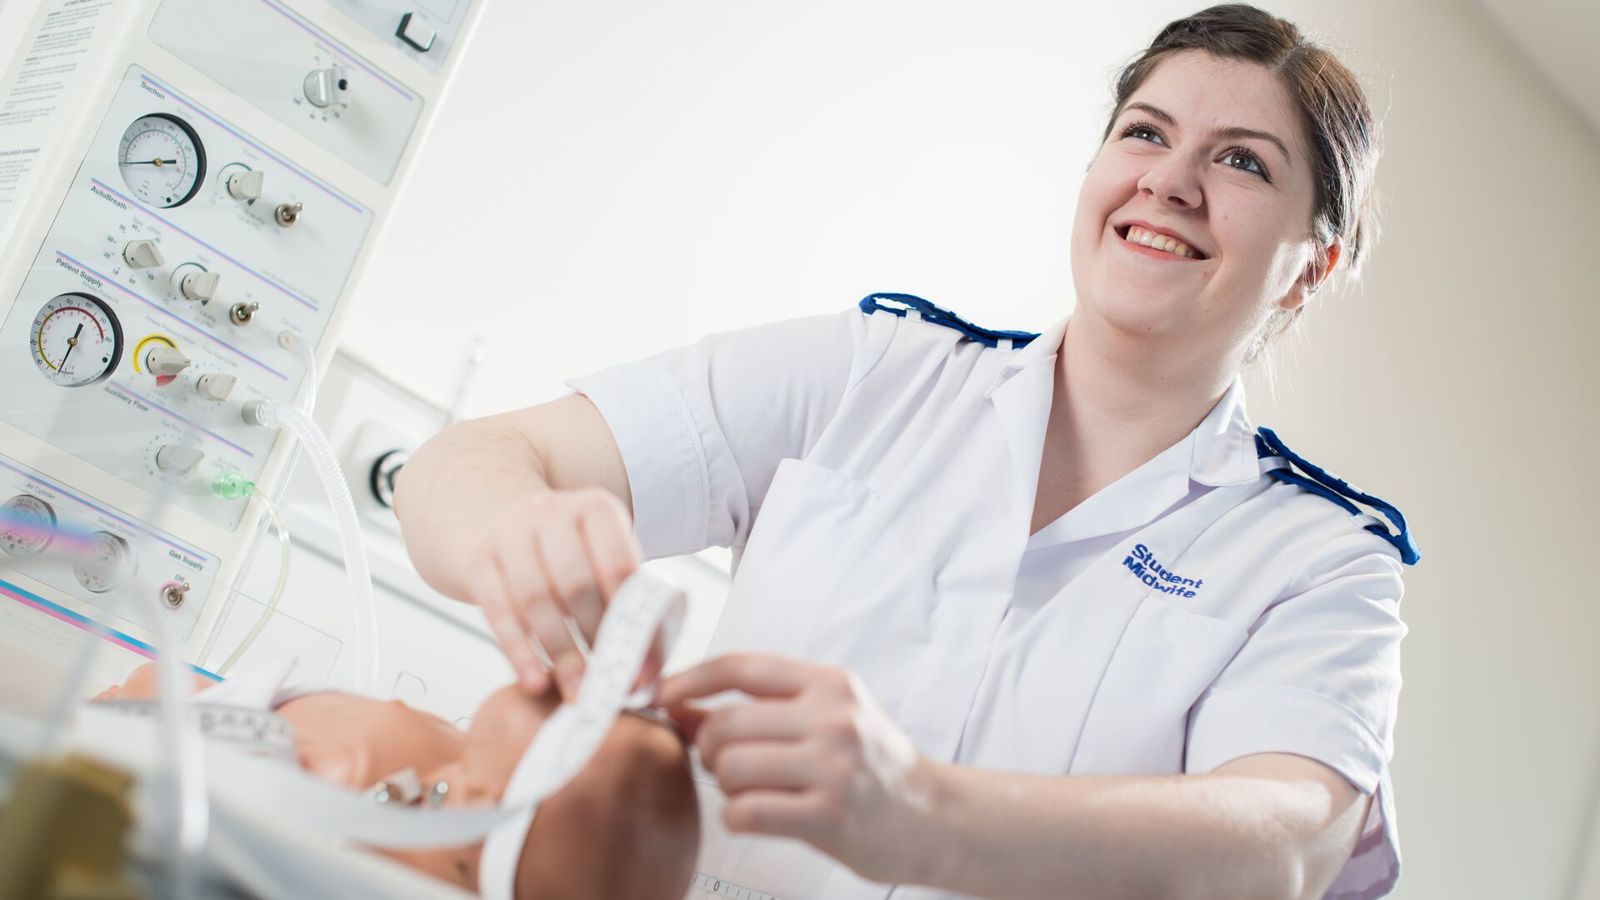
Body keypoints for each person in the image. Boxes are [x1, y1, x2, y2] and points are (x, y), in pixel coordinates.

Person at [394, 5, 1415, 898]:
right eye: (1144, 133)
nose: (1171, 181)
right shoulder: (873, 373)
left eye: (1241, 159)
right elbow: (466, 465)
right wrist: (517, 534)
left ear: (1309, 268)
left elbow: (1282, 843)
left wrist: (924, 813)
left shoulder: (1320, 562)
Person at [94, 662, 701, 899]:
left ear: (483, 804)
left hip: (174, 751)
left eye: (578, 721)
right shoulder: (457, 763)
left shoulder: (336, 787)